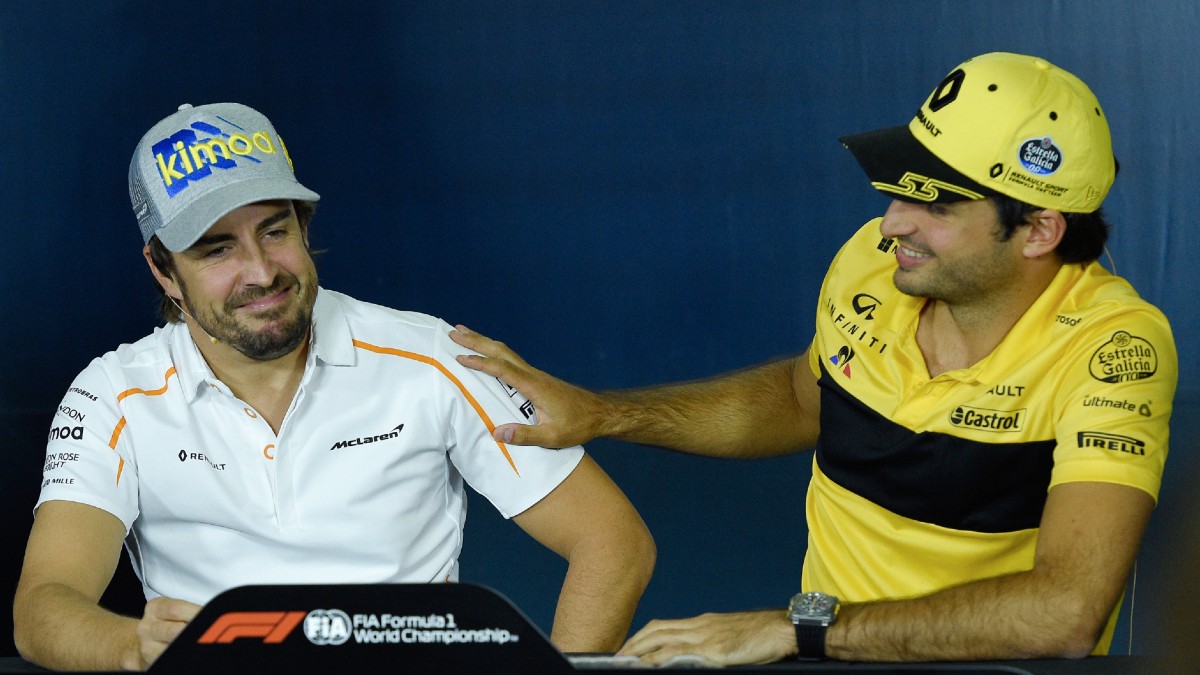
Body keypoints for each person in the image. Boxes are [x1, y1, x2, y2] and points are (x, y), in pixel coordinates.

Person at [450, 52, 1177, 664]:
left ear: (1039, 230)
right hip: (826, 657)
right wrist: (605, 413)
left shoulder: (1114, 348)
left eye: (935, 205)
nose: (893, 224)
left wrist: (800, 626)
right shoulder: (872, 263)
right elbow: (804, 401)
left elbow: (1068, 609)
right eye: (899, 190)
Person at [12, 102, 655, 671]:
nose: (261, 272)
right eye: (216, 250)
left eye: (275, 230)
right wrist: (134, 649)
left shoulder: (432, 357)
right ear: (163, 271)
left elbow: (612, 541)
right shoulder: (110, 396)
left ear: (305, 226)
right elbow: (44, 607)